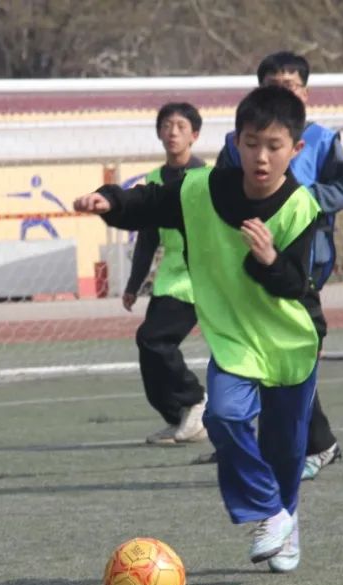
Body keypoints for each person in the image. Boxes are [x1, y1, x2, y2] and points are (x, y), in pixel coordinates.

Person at [75, 86, 332, 572]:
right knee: (223, 418)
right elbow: (148, 202)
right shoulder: (201, 188)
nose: (261, 156)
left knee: (285, 444)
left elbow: (300, 284)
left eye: (274, 146)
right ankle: (270, 511)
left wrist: (270, 260)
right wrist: (109, 201)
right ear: (237, 141)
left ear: (294, 150)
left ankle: (286, 519)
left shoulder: (301, 209)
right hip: (235, 339)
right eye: (252, 143)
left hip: (290, 339)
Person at [194, 51, 343, 480]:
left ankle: (304, 445)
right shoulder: (239, 143)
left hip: (301, 257)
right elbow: (222, 191)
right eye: (273, 85)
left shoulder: (321, 139)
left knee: (287, 351)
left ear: (304, 92)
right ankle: (259, 441)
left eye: (290, 86)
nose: (262, 154)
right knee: (260, 351)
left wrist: (299, 200)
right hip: (246, 261)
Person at [123, 102, 208, 445]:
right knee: (148, 345)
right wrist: (133, 284)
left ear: (195, 135)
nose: (173, 132)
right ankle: (178, 418)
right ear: (159, 133)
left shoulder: (207, 178)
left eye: (181, 126)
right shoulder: (155, 180)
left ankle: (195, 399)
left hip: (199, 274)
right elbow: (148, 237)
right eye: (167, 125)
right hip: (170, 275)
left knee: (155, 339)